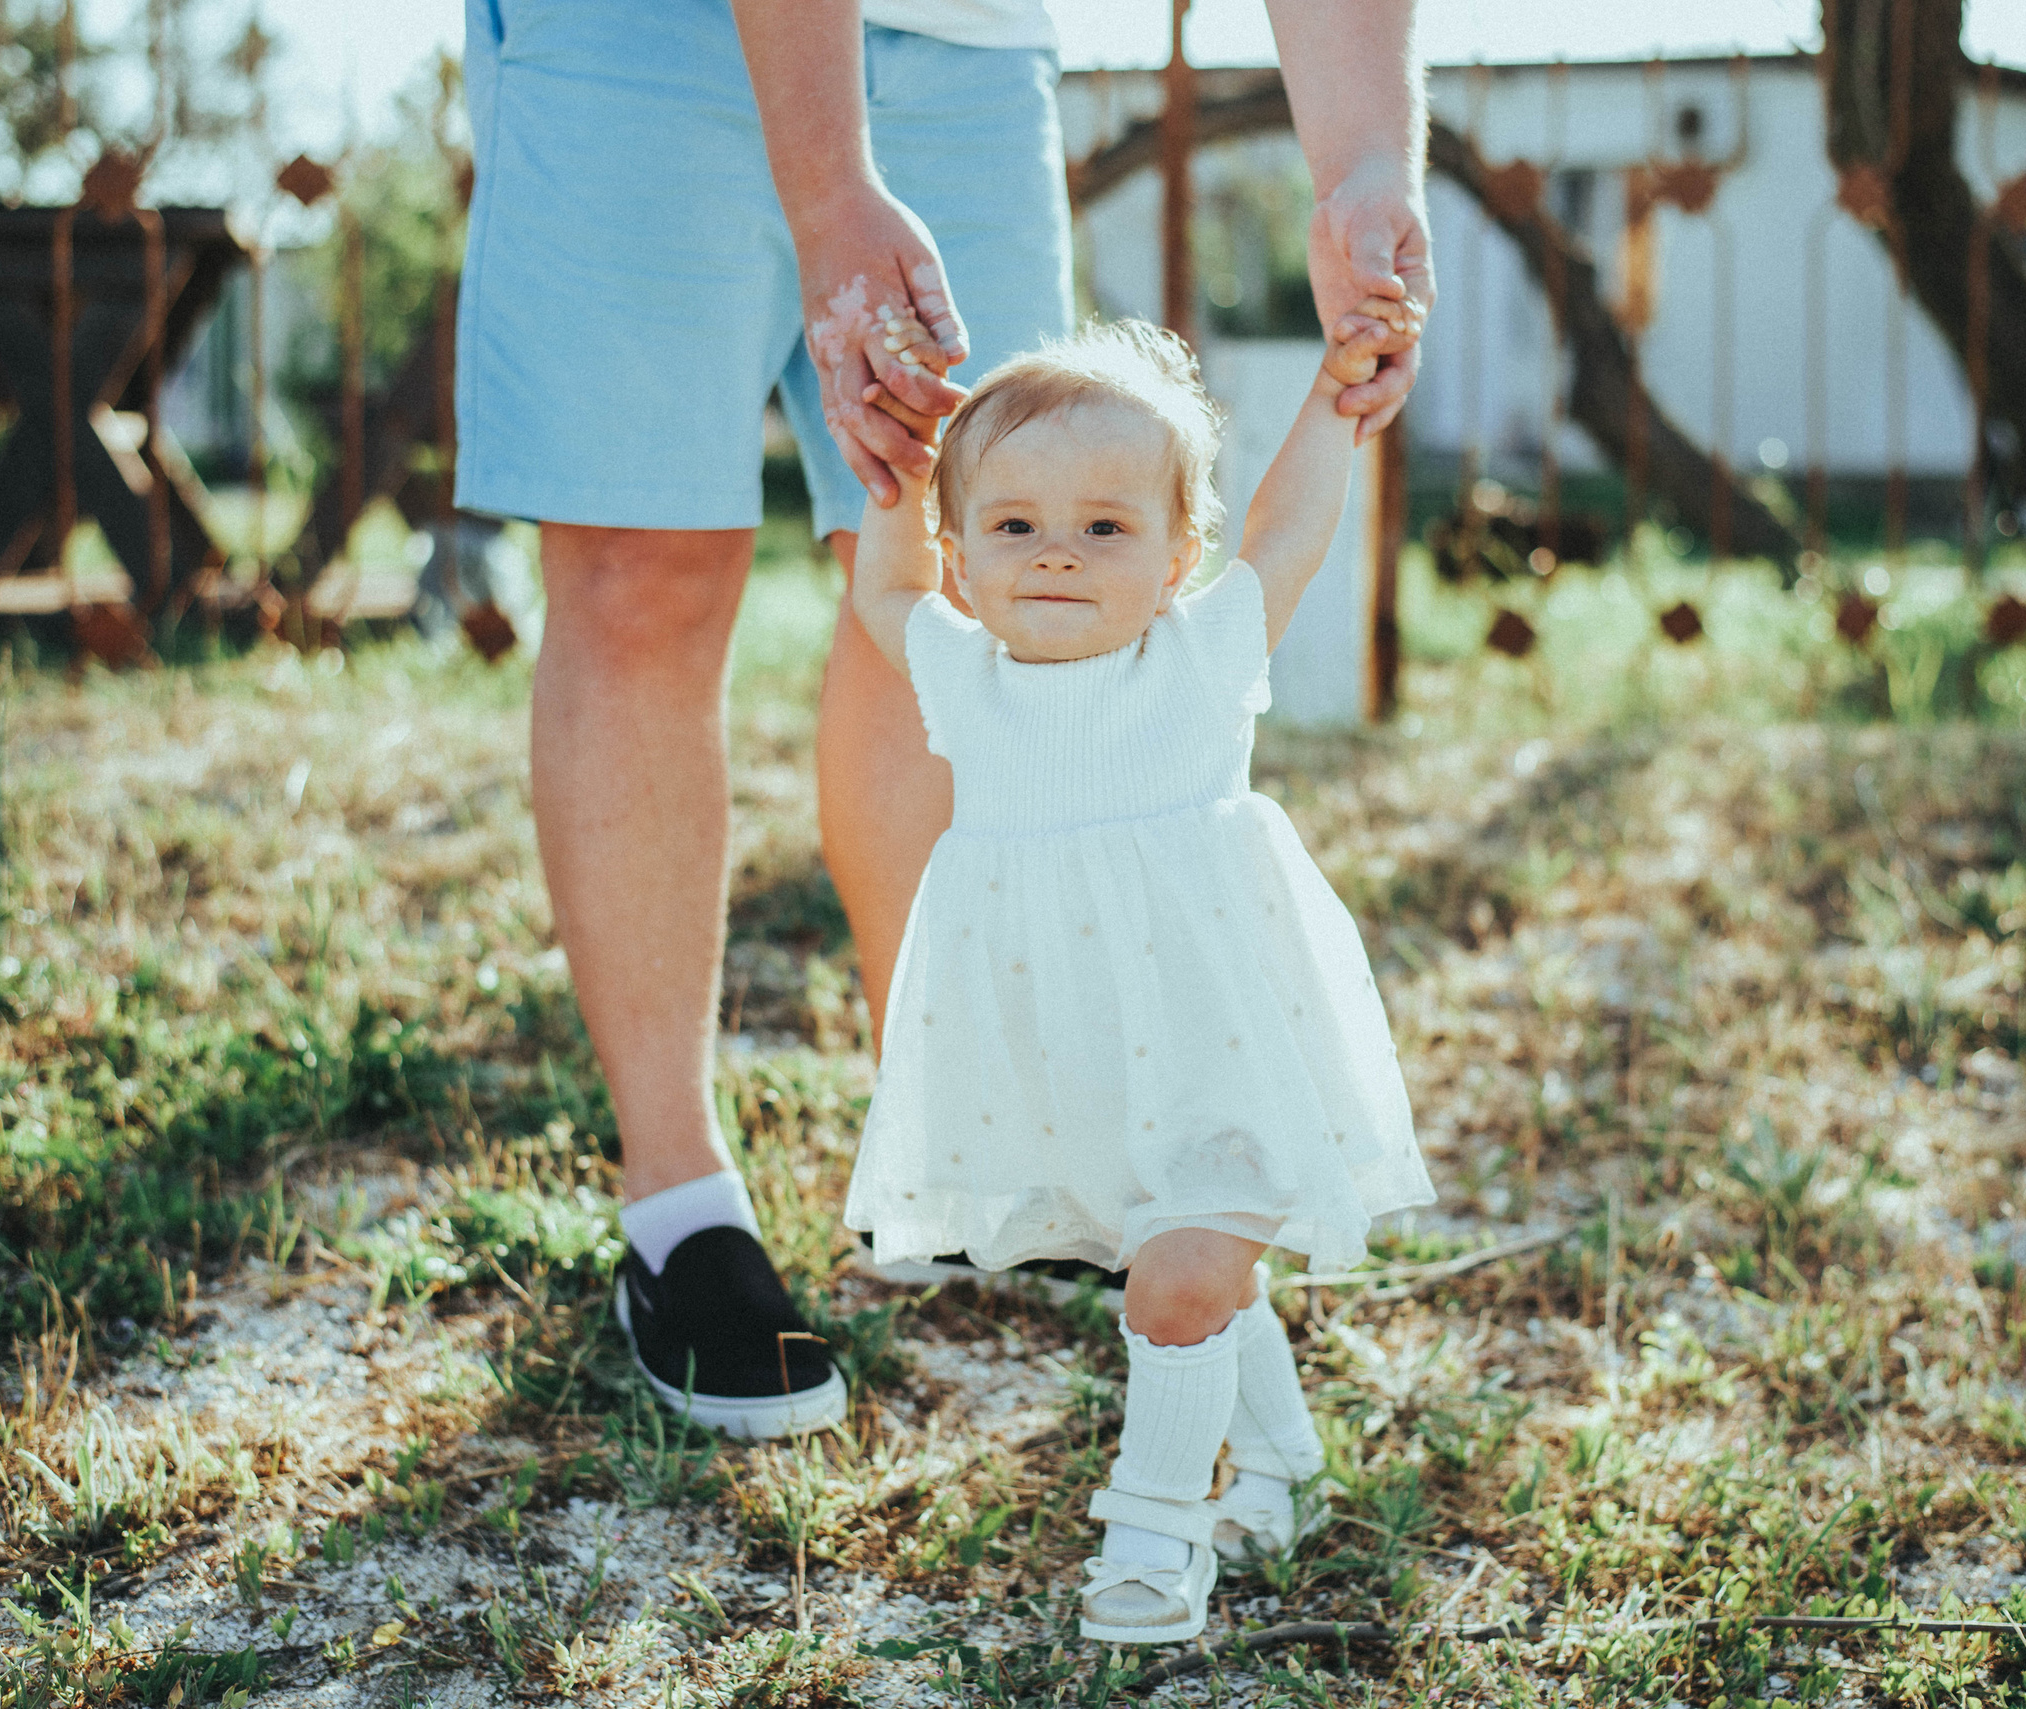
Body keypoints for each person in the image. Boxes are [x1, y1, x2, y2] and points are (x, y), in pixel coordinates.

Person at [454, 0, 1434, 1442]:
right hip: (642, 36)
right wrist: (828, 183)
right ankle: (679, 1206)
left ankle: (964, 1148)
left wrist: (1364, 163)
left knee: (1001, 555)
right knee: (644, 562)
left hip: (966, 52)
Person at [841, 306, 1437, 1644]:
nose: (1057, 546)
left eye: (1106, 526)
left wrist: (1338, 401)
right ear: (964, 558)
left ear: (1175, 558)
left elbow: (1285, 534)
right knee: (1196, 1274)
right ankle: (1284, 1461)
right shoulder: (964, 674)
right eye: (1015, 525)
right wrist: (893, 463)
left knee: (1173, 1281)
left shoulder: (1199, 662)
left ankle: (1156, 1532)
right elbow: (883, 590)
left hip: (1222, 1046)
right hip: (1084, 1071)